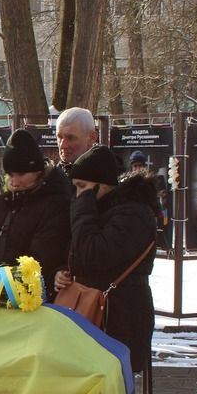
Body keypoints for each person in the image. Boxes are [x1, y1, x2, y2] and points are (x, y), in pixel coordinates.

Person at [54, 146, 157, 373]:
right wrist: (63, 270)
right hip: (100, 312)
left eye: (82, 187)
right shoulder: (98, 209)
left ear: (102, 184)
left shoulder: (132, 213)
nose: (78, 194)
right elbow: (78, 252)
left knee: (112, 391)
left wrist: (82, 208)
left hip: (120, 316)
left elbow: (93, 254)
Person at [0, 129, 72, 294]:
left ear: (38, 171)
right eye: (10, 174)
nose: (14, 182)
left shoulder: (55, 203)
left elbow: (43, 257)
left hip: (30, 295)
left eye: (21, 174)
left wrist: (9, 289)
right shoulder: (3, 202)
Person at [56, 107, 99, 176]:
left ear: (92, 138)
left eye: (71, 138)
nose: (63, 145)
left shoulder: (110, 179)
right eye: (59, 137)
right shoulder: (47, 179)